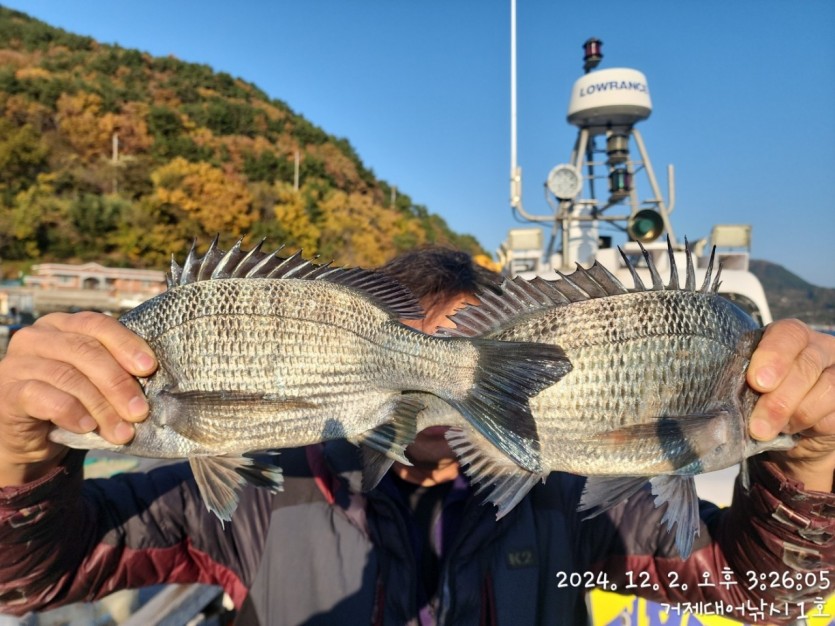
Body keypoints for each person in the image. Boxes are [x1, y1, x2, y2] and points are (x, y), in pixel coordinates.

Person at [0, 246, 833, 625]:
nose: (444, 382)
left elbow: (763, 596)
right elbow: (27, 583)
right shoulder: (251, 493)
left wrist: (812, 456)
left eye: (478, 355)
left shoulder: (573, 505)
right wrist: (15, 447)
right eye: (418, 353)